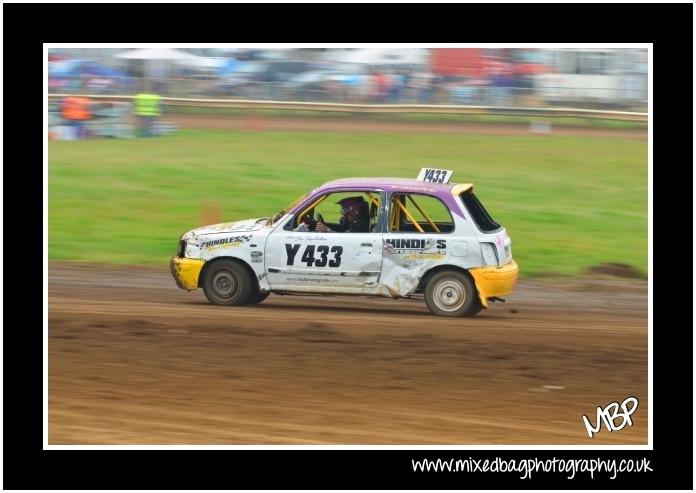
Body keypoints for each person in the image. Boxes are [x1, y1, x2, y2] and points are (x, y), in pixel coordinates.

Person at [295, 196, 370, 233]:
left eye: (345, 209)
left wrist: (326, 230)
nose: (344, 214)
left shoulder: (359, 226)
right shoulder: (353, 223)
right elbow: (342, 229)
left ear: (355, 210)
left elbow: (344, 240)